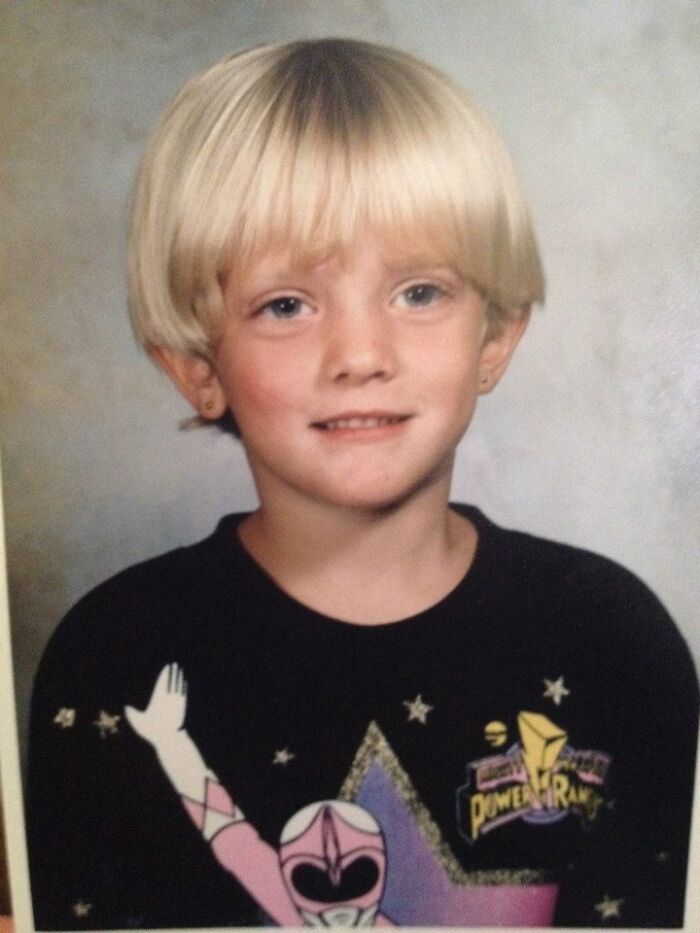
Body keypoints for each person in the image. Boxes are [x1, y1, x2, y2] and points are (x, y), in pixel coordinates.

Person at [26, 38, 698, 930]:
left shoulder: (613, 641)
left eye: (419, 292)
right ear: (196, 366)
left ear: (495, 336)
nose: (361, 356)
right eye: (286, 305)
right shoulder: (115, 655)